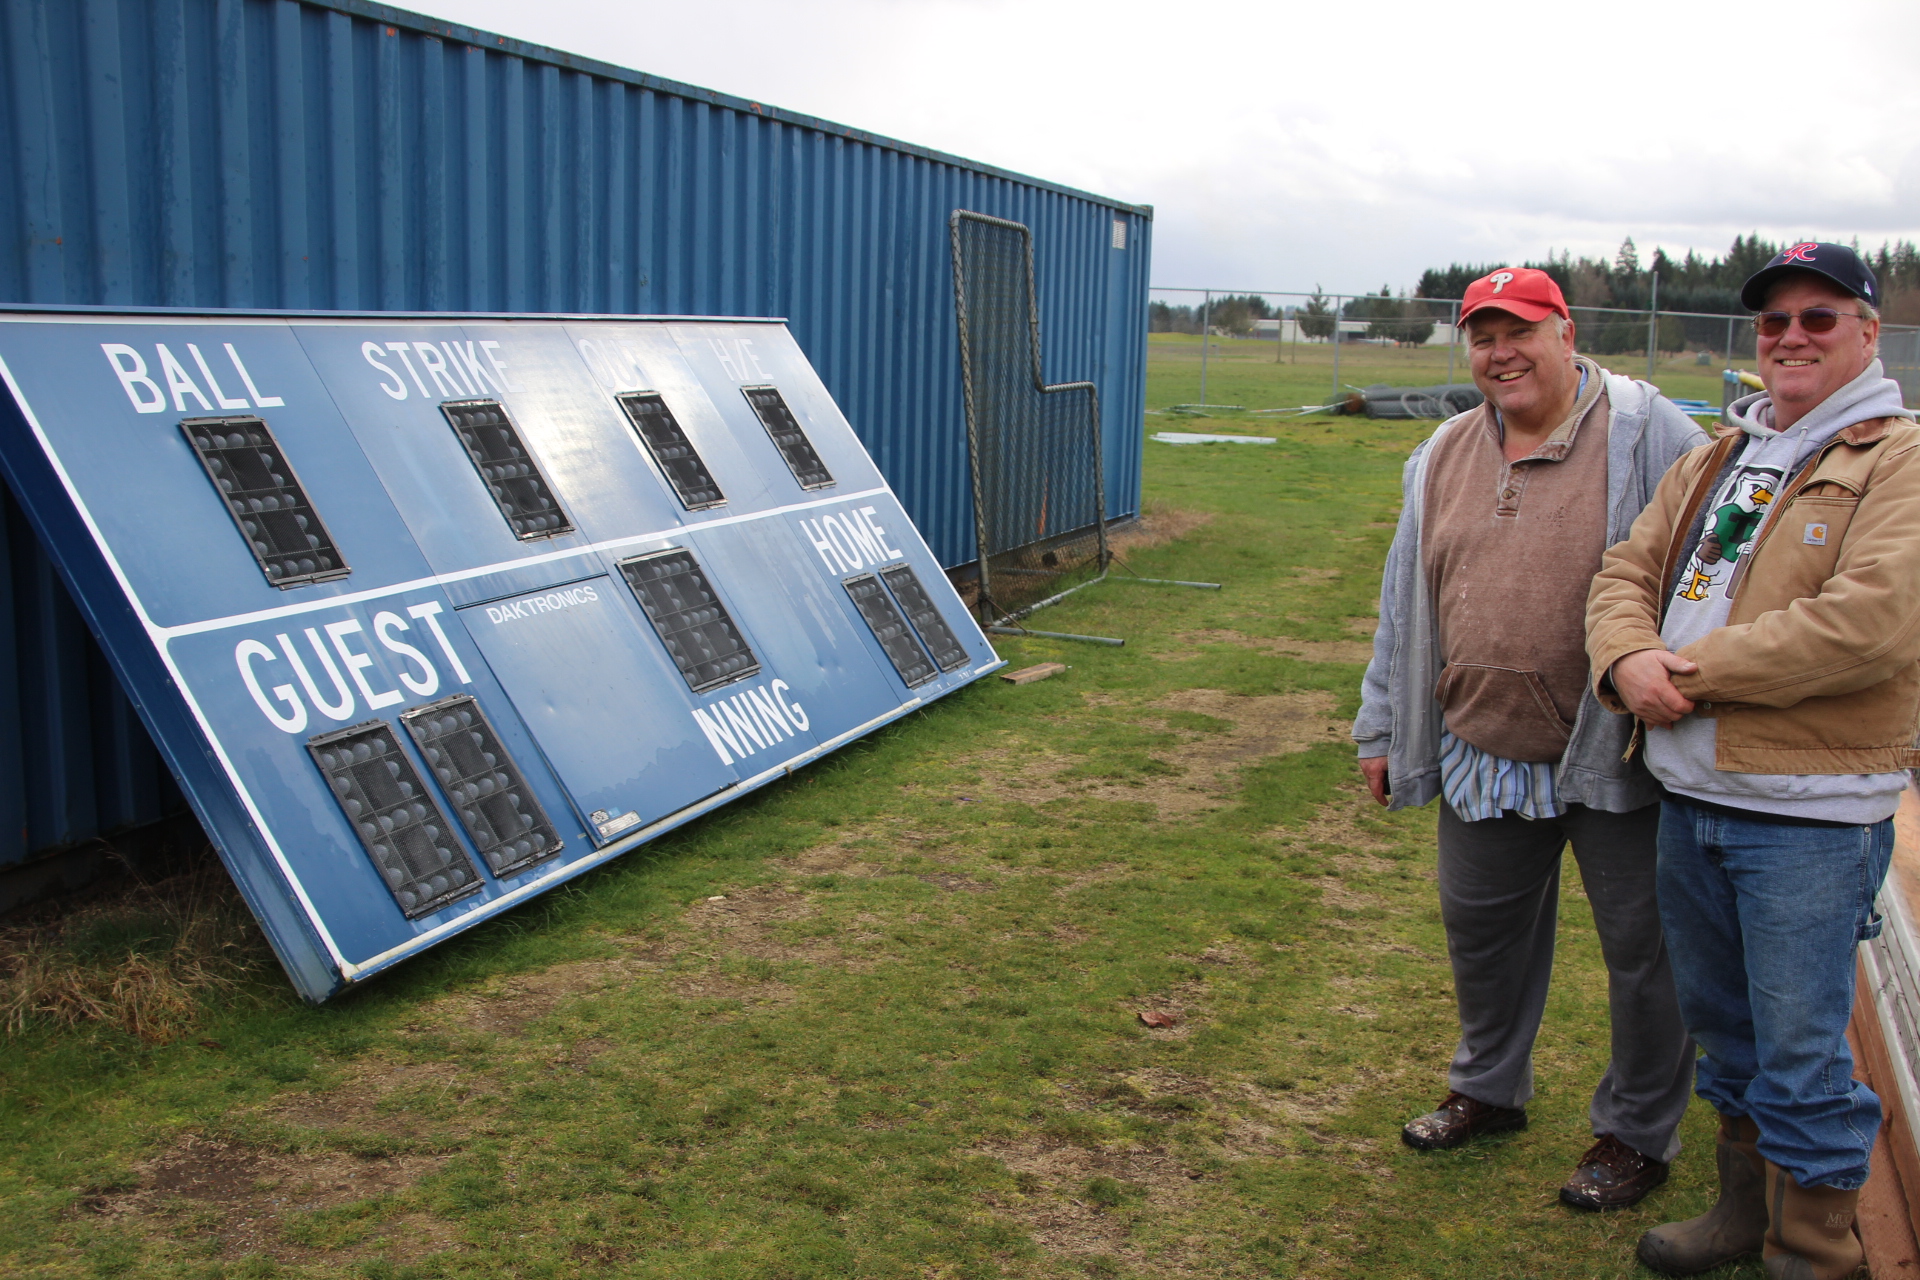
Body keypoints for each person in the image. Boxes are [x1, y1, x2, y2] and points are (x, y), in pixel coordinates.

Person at [1589, 242, 1916, 1279]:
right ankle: (1742, 1212)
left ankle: (1814, 1250)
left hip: (1808, 816)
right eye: (1774, 322)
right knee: (1726, 1035)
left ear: (1870, 330)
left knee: (1804, 1054)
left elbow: (1872, 621)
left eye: (1820, 318)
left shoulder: (1899, 455)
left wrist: (1690, 670)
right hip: (1690, 796)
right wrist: (1625, 656)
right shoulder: (1725, 450)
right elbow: (1625, 566)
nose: (1791, 338)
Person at [1353, 266, 1706, 1209]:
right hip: (1481, 744)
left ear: (1567, 332)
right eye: (1482, 336)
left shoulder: (1650, 433)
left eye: (1521, 330)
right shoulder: (1440, 453)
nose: (1500, 353)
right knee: (1482, 934)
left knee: (1644, 949)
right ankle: (1489, 1089)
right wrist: (1380, 724)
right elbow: (1402, 601)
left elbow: (1717, 563)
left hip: (1615, 751)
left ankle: (1636, 1131)